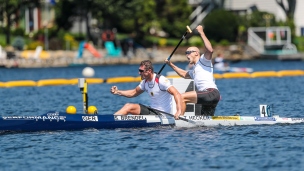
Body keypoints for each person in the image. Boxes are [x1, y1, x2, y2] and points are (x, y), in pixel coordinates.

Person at [165, 25, 220, 116]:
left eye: (188, 52)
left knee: (181, 96)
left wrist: (201, 32)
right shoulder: (195, 70)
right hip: (209, 96)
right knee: (204, 121)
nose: (186, 55)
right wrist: (170, 64)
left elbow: (210, 50)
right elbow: (184, 74)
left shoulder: (203, 61)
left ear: (196, 53)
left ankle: (180, 118)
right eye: (185, 53)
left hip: (211, 93)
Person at [110, 60, 182, 119]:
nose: (139, 73)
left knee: (129, 107)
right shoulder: (145, 82)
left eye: (141, 71)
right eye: (139, 70)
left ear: (149, 71)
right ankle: (112, 119)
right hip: (152, 110)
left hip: (162, 114)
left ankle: (111, 121)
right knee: (128, 107)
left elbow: (176, 94)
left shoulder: (161, 80)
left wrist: (178, 111)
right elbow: (134, 92)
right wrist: (117, 92)